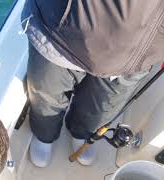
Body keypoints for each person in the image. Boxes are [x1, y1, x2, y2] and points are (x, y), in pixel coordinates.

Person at [21, 0, 164, 167]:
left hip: (138, 54)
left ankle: (82, 134)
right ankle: (44, 135)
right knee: (46, 95)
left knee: (103, 107)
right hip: (61, 32)